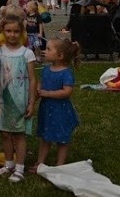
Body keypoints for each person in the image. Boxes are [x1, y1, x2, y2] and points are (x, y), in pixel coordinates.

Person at [0, 14, 37, 183]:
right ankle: (9, 164)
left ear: (22, 32)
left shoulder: (27, 53)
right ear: (3, 32)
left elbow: (32, 79)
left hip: (21, 100)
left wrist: (31, 102)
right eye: (8, 31)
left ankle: (20, 168)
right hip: (3, 99)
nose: (12, 35)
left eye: (16, 31)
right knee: (5, 133)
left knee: (19, 134)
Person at [34, 38, 81, 172]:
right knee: (45, 137)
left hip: (60, 110)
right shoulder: (46, 69)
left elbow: (67, 92)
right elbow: (41, 83)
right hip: (46, 109)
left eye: (48, 49)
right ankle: (40, 163)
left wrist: (48, 93)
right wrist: (37, 91)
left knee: (62, 139)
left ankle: (60, 165)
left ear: (60, 56)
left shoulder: (66, 73)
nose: (45, 51)